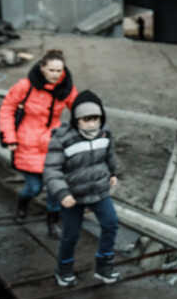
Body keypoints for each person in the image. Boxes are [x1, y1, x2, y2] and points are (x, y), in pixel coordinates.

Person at [42, 89, 121, 287]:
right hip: (73, 195)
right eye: (86, 119)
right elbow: (52, 170)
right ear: (76, 120)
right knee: (71, 235)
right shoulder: (62, 139)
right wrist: (62, 193)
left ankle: (104, 266)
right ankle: (64, 269)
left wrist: (113, 174)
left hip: (99, 191)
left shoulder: (105, 134)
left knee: (110, 223)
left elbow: (110, 157)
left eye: (95, 118)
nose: (91, 123)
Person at [0, 49, 77, 238]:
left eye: (59, 70)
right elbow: (7, 109)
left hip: (52, 144)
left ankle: (53, 222)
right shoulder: (25, 86)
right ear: (42, 68)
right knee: (34, 187)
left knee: (54, 188)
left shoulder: (65, 88)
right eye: (51, 70)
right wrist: (10, 137)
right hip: (27, 144)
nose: (56, 74)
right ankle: (22, 203)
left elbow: (79, 108)